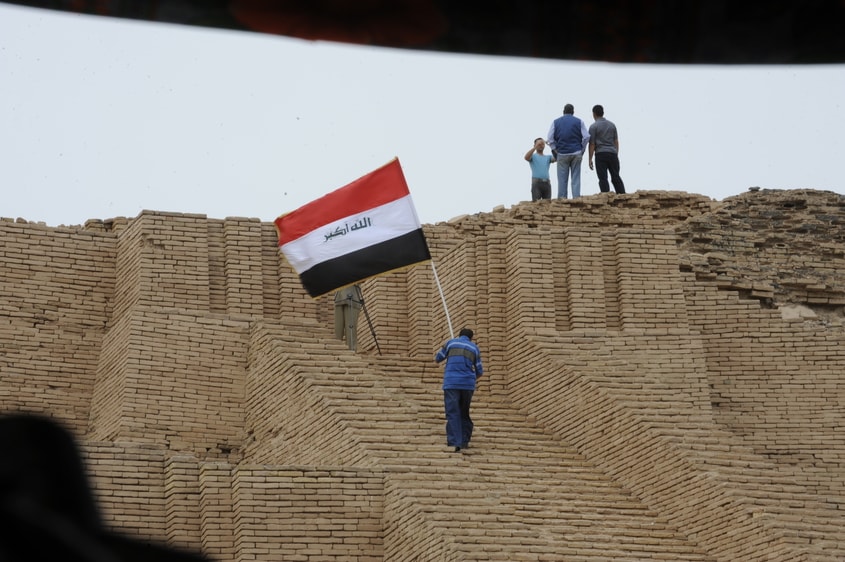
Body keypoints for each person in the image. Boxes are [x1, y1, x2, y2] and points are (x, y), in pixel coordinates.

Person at [434, 327, 484, 452]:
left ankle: (455, 441)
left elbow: (438, 358)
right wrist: (471, 379)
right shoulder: (474, 348)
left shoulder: (451, 343)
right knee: (464, 412)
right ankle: (464, 440)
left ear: (459, 335)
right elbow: (480, 371)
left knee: (452, 412)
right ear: (471, 338)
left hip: (451, 383)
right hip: (467, 385)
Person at [547, 103, 590, 198]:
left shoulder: (556, 122)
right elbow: (586, 137)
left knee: (562, 179)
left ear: (563, 112)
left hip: (562, 153)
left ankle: (562, 200)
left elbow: (549, 139)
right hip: (576, 152)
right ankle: (576, 198)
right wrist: (582, 149)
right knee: (576, 177)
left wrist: (554, 149)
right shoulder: (579, 121)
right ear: (573, 112)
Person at [588, 104, 626, 194]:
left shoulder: (593, 127)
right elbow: (616, 141)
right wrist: (616, 153)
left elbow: (592, 144)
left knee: (603, 178)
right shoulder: (612, 125)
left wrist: (590, 158)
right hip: (612, 153)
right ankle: (622, 196)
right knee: (616, 176)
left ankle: (606, 197)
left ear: (594, 114)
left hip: (600, 154)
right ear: (603, 113)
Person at [334, 284, 362, 351]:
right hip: (338, 298)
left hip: (353, 297)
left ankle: (351, 352)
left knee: (350, 329)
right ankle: (335, 350)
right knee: (338, 329)